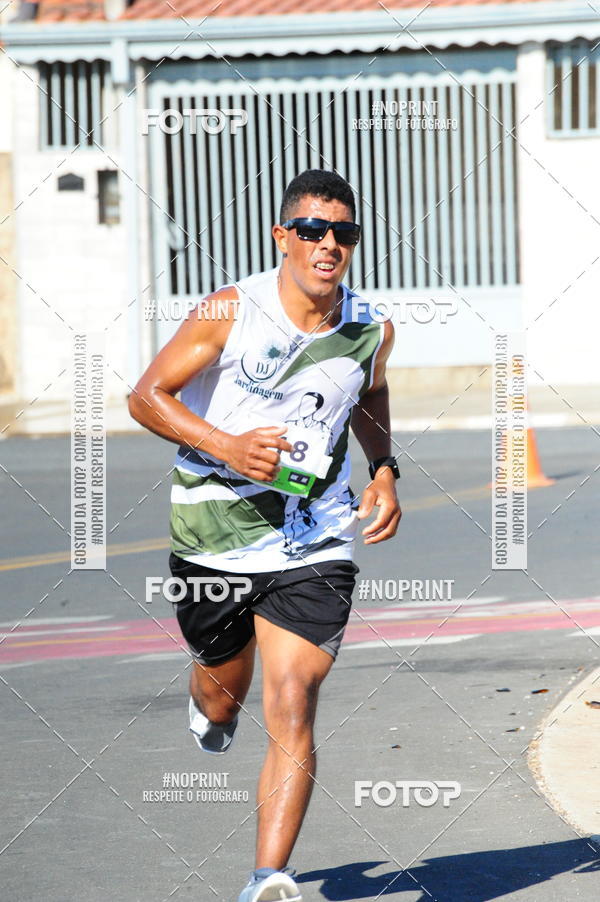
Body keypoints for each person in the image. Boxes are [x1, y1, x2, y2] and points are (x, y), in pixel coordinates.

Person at [128, 169, 402, 902]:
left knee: (293, 698)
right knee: (225, 697)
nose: (328, 244)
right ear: (283, 236)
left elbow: (370, 391)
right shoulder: (230, 310)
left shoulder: (370, 329)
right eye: (312, 230)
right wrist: (226, 446)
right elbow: (146, 396)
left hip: (316, 535)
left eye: (343, 233)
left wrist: (383, 468)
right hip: (214, 533)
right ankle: (209, 699)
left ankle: (267, 878)